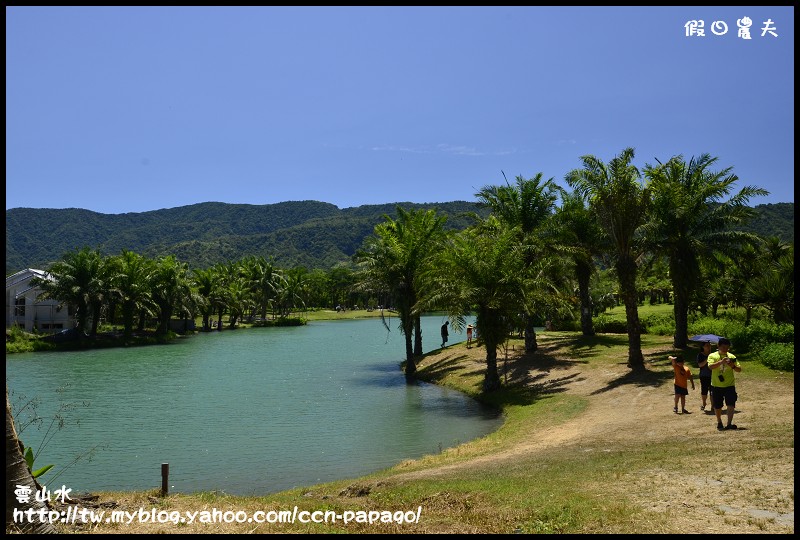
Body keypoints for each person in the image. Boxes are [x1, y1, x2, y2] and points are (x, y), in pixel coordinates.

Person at [708, 337, 741, 431]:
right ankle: (719, 421)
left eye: (727, 347)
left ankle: (729, 423)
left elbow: (739, 369)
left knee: (731, 404)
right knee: (717, 406)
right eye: (723, 347)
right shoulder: (712, 356)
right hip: (716, 385)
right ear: (718, 346)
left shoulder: (732, 357)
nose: (725, 349)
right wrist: (720, 362)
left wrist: (733, 366)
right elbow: (710, 367)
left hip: (729, 385)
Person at [697, 341, 713, 411]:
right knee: (704, 391)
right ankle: (704, 403)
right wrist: (707, 359)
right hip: (704, 375)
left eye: (709, 345)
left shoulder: (713, 355)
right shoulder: (700, 355)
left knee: (713, 391)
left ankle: (713, 405)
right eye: (707, 345)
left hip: (713, 375)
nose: (708, 347)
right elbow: (700, 365)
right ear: (703, 347)